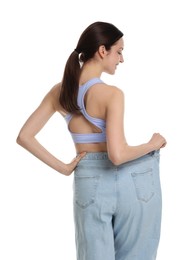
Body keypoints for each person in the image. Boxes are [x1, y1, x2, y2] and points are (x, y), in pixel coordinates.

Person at [16, 21, 167, 260]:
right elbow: (117, 155)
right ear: (102, 50)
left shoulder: (60, 92)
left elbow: (24, 136)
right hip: (132, 180)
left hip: (89, 181)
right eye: (119, 51)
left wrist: (66, 168)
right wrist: (152, 144)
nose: (122, 59)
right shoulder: (112, 95)